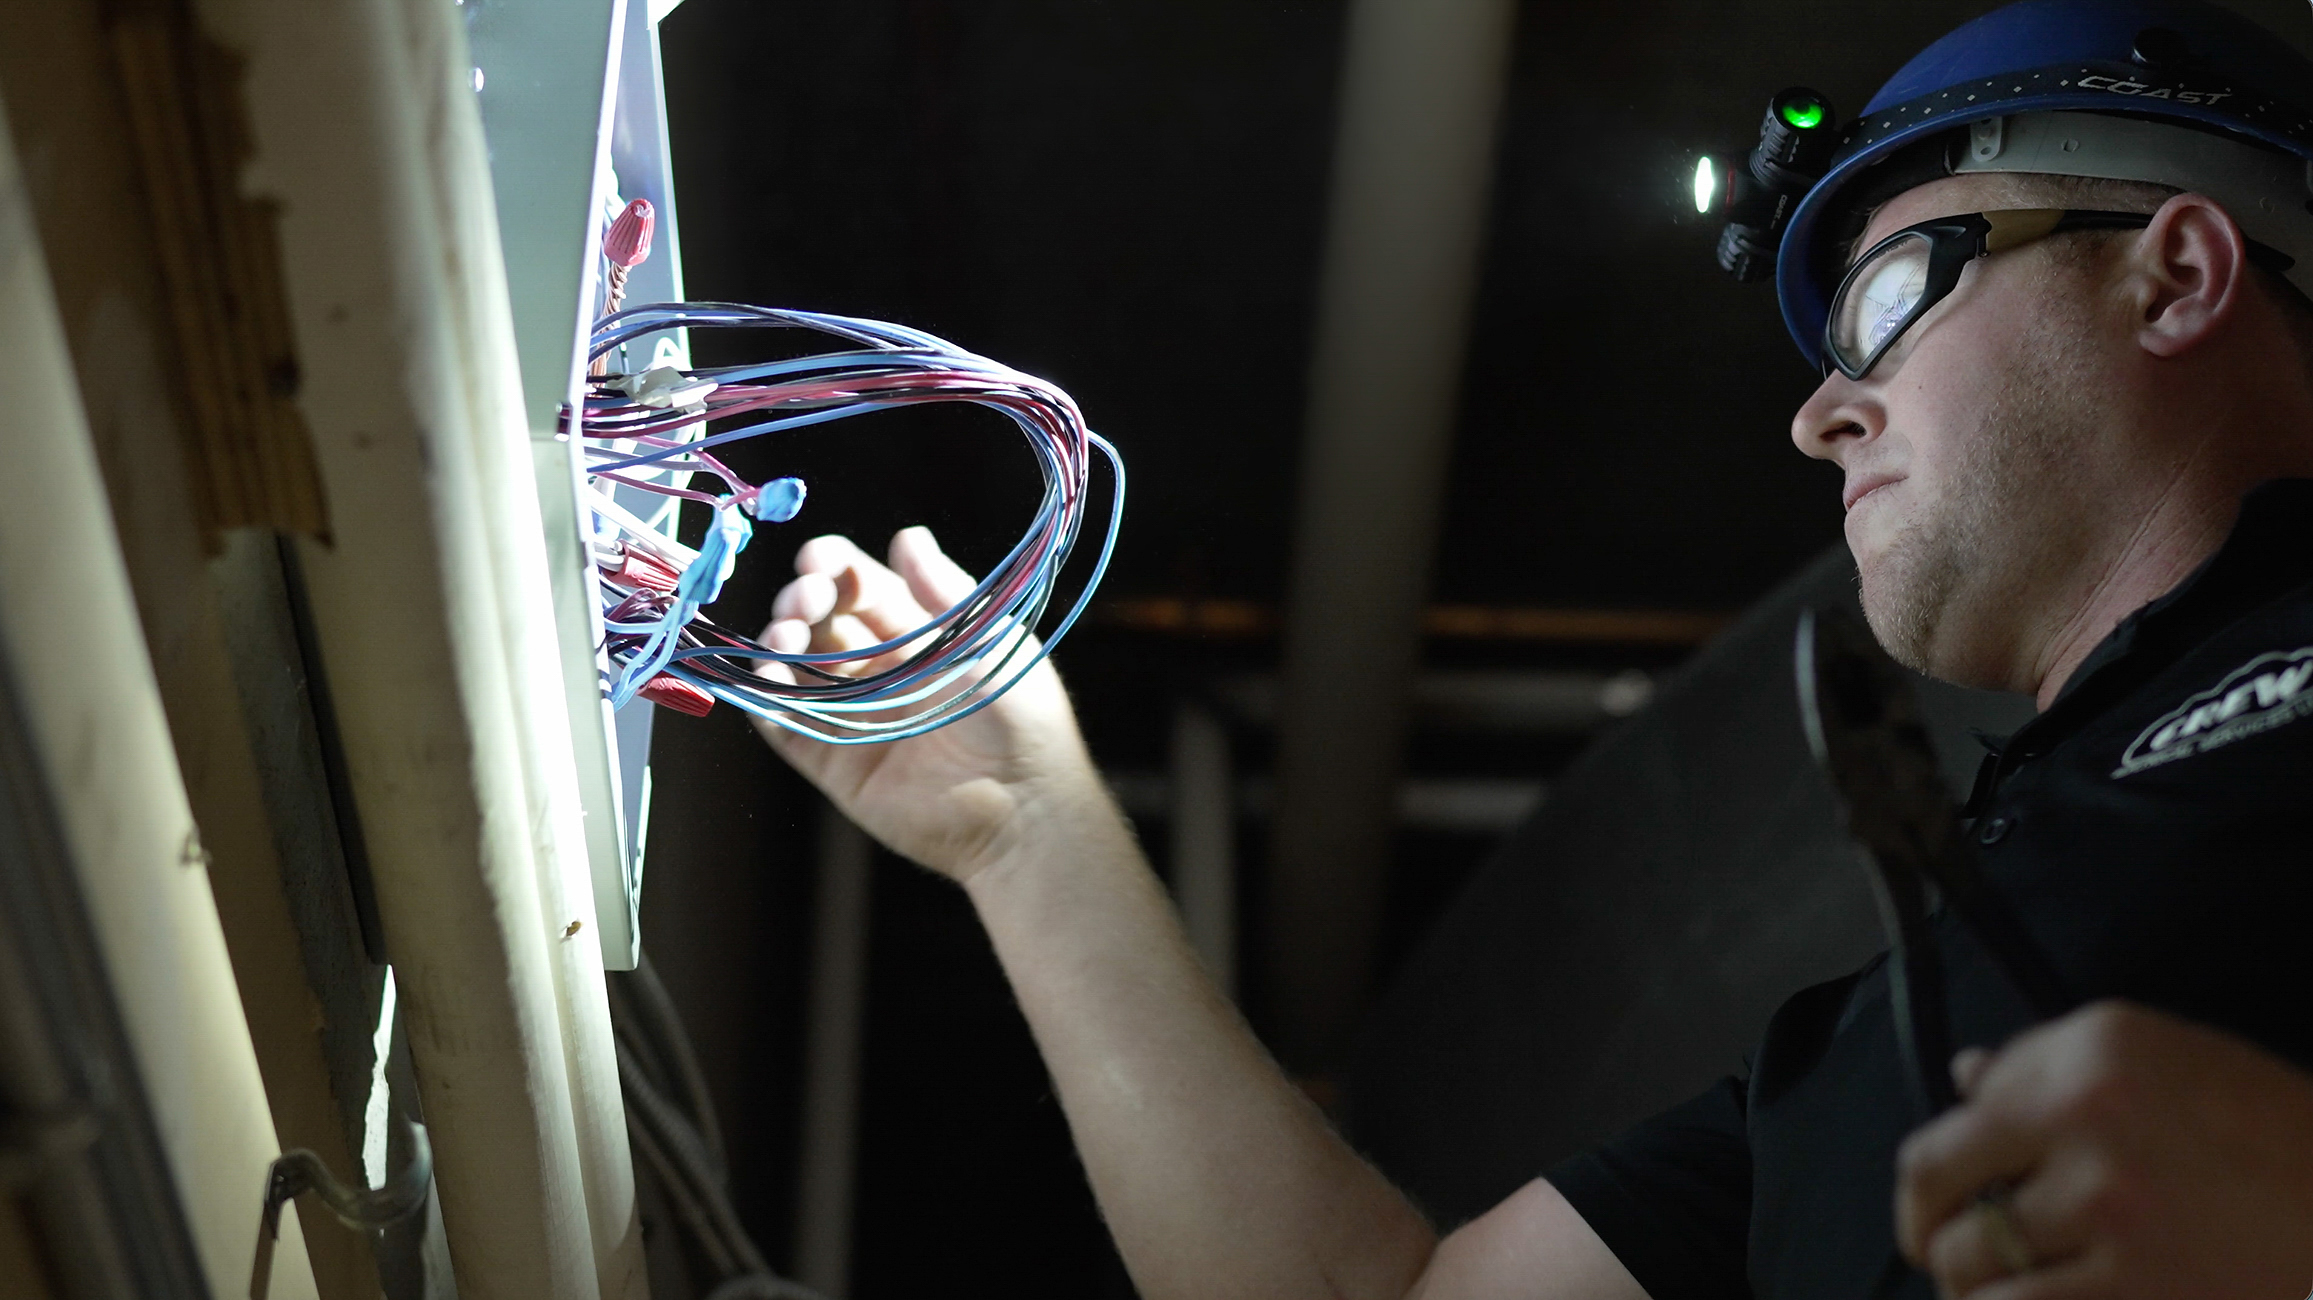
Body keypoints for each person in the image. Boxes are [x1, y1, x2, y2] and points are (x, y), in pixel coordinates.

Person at [748, 2, 2313, 1295]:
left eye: (1893, 296)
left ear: (2174, 273)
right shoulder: (1867, 1075)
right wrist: (1027, 825)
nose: (1820, 416)